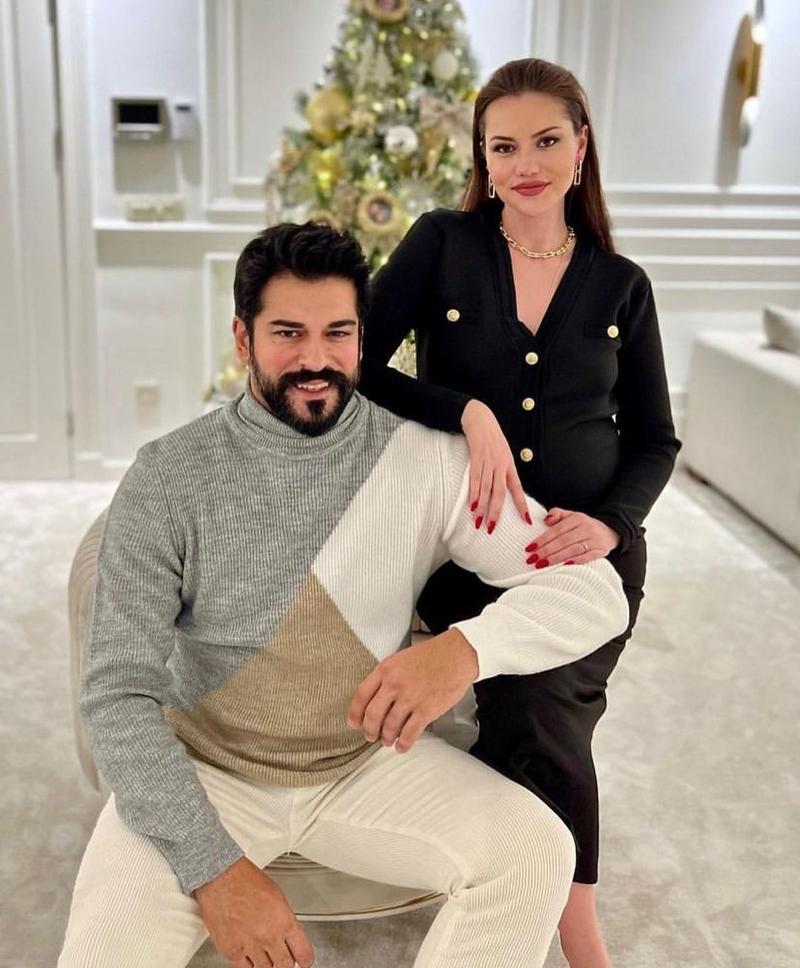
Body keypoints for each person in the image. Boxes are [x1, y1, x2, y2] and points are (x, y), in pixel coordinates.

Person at [58, 222, 629, 968]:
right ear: (242, 337)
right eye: (287, 333)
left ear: (363, 339)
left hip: (362, 765)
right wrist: (216, 871)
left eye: (337, 333)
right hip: (206, 770)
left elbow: (593, 591)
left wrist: (464, 651)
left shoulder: (428, 461)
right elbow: (115, 695)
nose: (315, 359)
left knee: (537, 848)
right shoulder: (168, 476)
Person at [358, 58, 681, 967]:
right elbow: (358, 364)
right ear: (483, 157)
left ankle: (563, 920)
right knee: (523, 698)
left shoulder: (621, 284)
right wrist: (464, 411)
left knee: (542, 698)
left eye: (545, 141)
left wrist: (611, 525)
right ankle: (554, 916)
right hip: (466, 551)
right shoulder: (442, 242)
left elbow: (655, 439)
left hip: (585, 557)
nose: (525, 164)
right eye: (503, 147)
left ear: (581, 147)